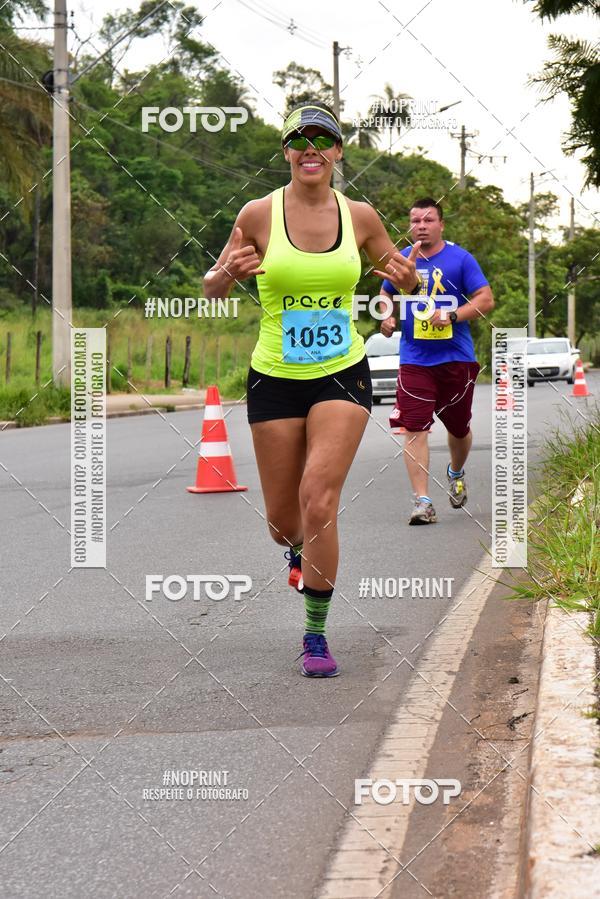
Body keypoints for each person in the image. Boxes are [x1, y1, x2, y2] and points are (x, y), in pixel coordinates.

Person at [203, 102, 420, 676]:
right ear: (286, 153)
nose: (311, 150)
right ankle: (296, 550)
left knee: (319, 499)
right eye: (300, 141)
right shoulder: (257, 213)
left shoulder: (361, 216)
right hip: (274, 375)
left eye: (323, 140)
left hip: (341, 373)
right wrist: (228, 274)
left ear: (338, 151)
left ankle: (316, 635)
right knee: (283, 520)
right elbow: (212, 287)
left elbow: (402, 271)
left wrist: (409, 279)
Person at [379, 197, 494, 525]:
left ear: (441, 224)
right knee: (414, 426)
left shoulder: (461, 259)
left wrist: (455, 314)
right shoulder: (401, 259)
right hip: (414, 359)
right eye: (415, 221)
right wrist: (387, 316)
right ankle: (422, 501)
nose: (421, 227)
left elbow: (485, 298)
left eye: (428, 221)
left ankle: (455, 471)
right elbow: (385, 293)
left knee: (459, 428)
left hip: (456, 357)